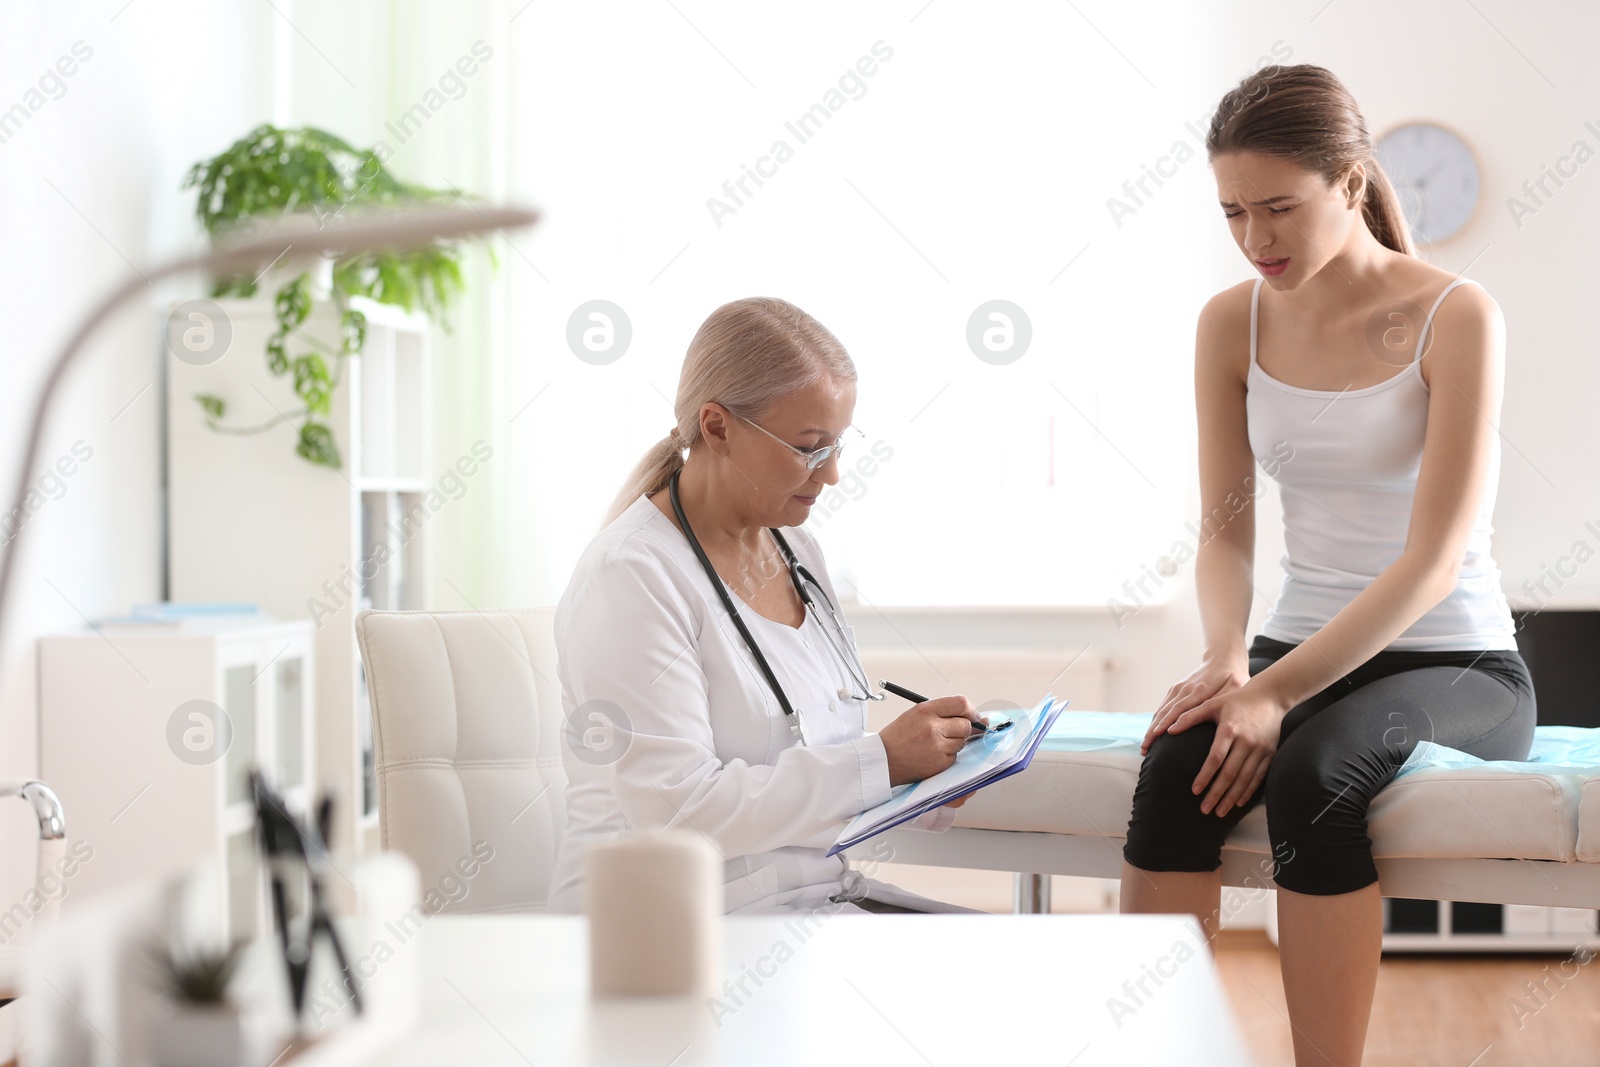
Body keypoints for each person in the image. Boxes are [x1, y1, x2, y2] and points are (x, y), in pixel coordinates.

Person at [1118, 65, 1535, 1066]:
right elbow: (1224, 528)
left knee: (1315, 776)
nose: (1255, 239)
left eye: (1278, 208)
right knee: (1175, 768)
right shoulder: (1231, 322)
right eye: (1231, 212)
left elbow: (1434, 560)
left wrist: (1274, 692)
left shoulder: (1456, 313)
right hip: (1292, 644)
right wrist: (1227, 657)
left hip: (1456, 661)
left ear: (1350, 183)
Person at [547, 296, 984, 915]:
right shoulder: (631, 577)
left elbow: (819, 770)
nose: (830, 475)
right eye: (809, 447)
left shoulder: (797, 550)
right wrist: (880, 761)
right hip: (674, 929)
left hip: (813, 902)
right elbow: (679, 811)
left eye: (838, 446)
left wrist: (928, 778)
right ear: (718, 426)